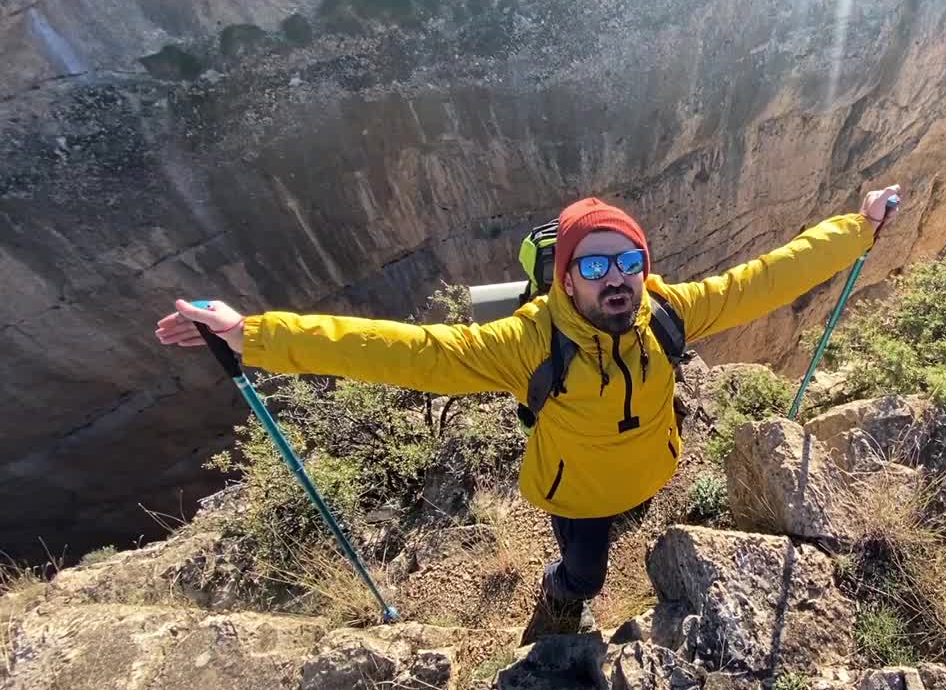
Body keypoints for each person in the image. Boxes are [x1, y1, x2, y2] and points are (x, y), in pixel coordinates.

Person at [155, 186, 901, 643]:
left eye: (630, 261)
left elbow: (769, 276)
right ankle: (556, 605)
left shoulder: (668, 312)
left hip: (646, 470)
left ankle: (593, 558)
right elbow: (404, 352)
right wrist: (255, 335)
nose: (619, 279)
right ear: (566, 278)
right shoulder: (527, 343)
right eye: (596, 266)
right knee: (587, 570)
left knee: (635, 509)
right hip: (574, 495)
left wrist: (858, 230)